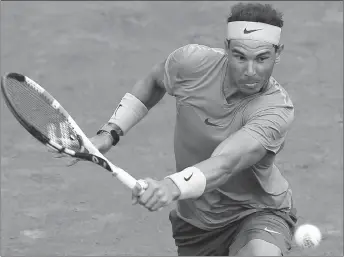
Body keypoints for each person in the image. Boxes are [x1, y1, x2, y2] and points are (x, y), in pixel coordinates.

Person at [71, 2, 298, 256]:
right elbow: (153, 82)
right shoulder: (192, 64)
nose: (250, 71)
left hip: (257, 213)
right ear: (227, 49)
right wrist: (110, 133)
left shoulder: (276, 109)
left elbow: (226, 162)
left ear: (278, 53)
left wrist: (171, 186)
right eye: (240, 57)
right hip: (196, 225)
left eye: (262, 58)